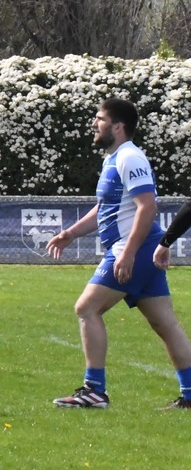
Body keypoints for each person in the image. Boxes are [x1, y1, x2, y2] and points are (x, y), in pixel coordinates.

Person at [47, 98, 191, 409]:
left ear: (118, 127)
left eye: (99, 119)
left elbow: (147, 207)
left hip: (133, 248)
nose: (94, 124)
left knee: (86, 308)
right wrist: (71, 233)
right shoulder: (113, 159)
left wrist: (128, 253)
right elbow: (105, 208)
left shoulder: (129, 158)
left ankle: (94, 390)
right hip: (139, 248)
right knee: (165, 323)